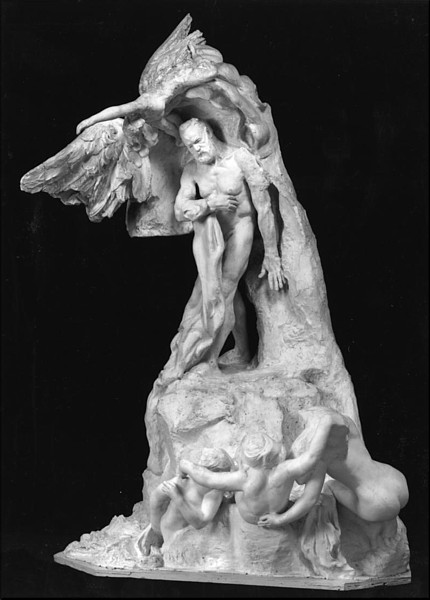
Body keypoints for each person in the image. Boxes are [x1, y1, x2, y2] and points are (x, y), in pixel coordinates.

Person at [166, 118, 286, 376]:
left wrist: (272, 254)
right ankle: (241, 351)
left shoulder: (240, 159)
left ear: (209, 133)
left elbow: (264, 207)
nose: (196, 149)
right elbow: (178, 211)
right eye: (190, 146)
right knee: (205, 293)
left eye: (198, 142)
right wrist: (210, 203)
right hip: (213, 238)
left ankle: (208, 358)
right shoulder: (193, 170)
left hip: (241, 229)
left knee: (223, 290)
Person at [179, 417, 345, 525]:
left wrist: (185, 466)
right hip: (277, 513)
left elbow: (207, 478)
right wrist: (325, 424)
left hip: (250, 518)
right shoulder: (285, 470)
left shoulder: (244, 478)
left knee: (222, 474)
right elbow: (312, 457)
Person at [257, 409, 409, 528]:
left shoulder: (320, 458)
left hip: (375, 504)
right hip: (396, 480)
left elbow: (309, 498)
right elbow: (329, 419)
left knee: (329, 485)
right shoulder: (347, 424)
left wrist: (279, 520)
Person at [139, 447, 234, 553]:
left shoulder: (213, 493)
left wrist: (177, 497)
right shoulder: (183, 482)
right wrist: (155, 527)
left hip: (181, 533)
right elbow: (156, 498)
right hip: (170, 534)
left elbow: (200, 522)